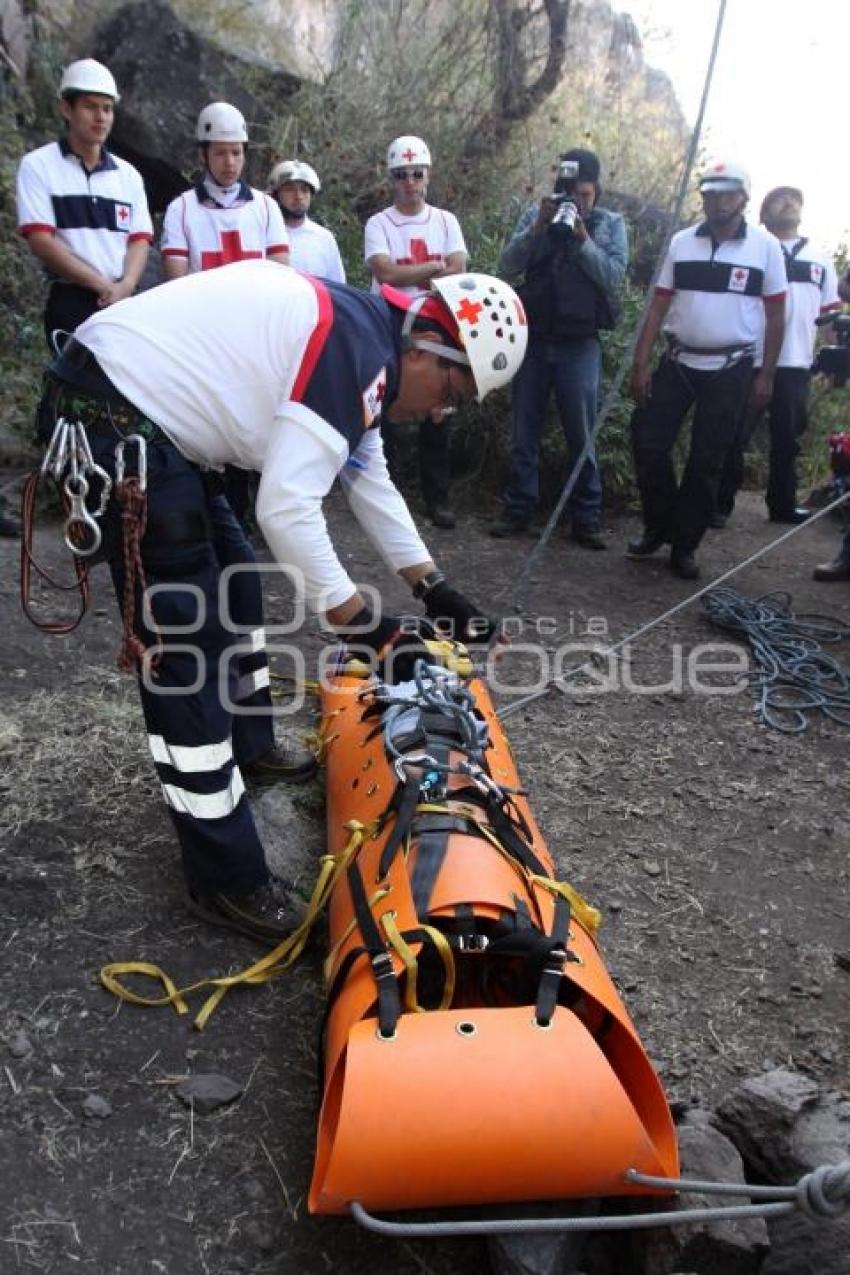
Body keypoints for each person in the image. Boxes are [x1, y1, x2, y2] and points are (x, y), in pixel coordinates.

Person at [36, 261, 527, 941]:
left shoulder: (371, 345)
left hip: (156, 419)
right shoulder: (354, 348)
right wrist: (370, 628)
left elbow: (368, 475)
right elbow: (289, 509)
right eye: (453, 387)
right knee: (187, 646)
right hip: (117, 413)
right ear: (425, 347)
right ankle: (225, 878)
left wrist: (434, 587)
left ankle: (251, 744)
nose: (445, 410)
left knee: (238, 576)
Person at [627, 160, 787, 580]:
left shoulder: (766, 248)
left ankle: (684, 545)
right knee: (647, 442)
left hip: (732, 367)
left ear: (744, 198)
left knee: (707, 460)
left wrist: (766, 374)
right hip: (678, 360)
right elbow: (659, 303)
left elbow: (776, 315)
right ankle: (658, 526)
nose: (716, 201)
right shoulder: (682, 242)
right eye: (710, 193)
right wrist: (641, 363)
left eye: (726, 193)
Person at [490, 147, 628, 549]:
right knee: (524, 429)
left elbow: (614, 277)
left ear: (597, 192)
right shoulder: (540, 215)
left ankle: (586, 517)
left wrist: (583, 241)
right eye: (573, 195)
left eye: (585, 195)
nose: (578, 203)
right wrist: (538, 229)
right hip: (533, 339)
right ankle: (518, 508)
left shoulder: (609, 225)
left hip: (579, 344)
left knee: (581, 432)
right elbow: (507, 265)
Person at [716, 186, 840, 526]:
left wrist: (832, 362)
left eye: (795, 199)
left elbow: (830, 313)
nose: (788, 203)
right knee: (733, 433)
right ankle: (718, 504)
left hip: (797, 363)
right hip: (749, 359)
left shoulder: (819, 257)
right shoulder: (753, 249)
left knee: (788, 440)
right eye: (778, 199)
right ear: (763, 213)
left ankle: (782, 506)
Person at [364, 135, 468, 529]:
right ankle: (384, 500)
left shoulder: (445, 221)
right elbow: (385, 272)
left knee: (438, 414)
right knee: (384, 413)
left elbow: (457, 269)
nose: (410, 181)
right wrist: (430, 269)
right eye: (403, 175)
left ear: (428, 176)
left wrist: (426, 273)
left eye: (417, 174)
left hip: (437, 326)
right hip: (389, 325)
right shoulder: (379, 223)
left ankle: (437, 499)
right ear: (393, 178)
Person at [15, 58, 152, 349]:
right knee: (72, 390)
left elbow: (140, 240)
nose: (100, 117)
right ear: (67, 108)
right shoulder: (39, 166)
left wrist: (126, 286)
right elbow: (42, 241)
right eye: (90, 107)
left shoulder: (128, 176)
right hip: (71, 297)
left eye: (107, 108)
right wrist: (100, 285)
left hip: (122, 300)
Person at [160, 103, 289, 280]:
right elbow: (175, 285)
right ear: (203, 155)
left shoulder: (267, 207)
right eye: (220, 153)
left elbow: (280, 278)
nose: (229, 162)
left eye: (236, 153)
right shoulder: (180, 209)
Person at [267, 159, 345, 282]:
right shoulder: (264, 235)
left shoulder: (324, 238)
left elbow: (338, 288)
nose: (298, 196)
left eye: (304, 190)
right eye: (290, 189)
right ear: (276, 195)